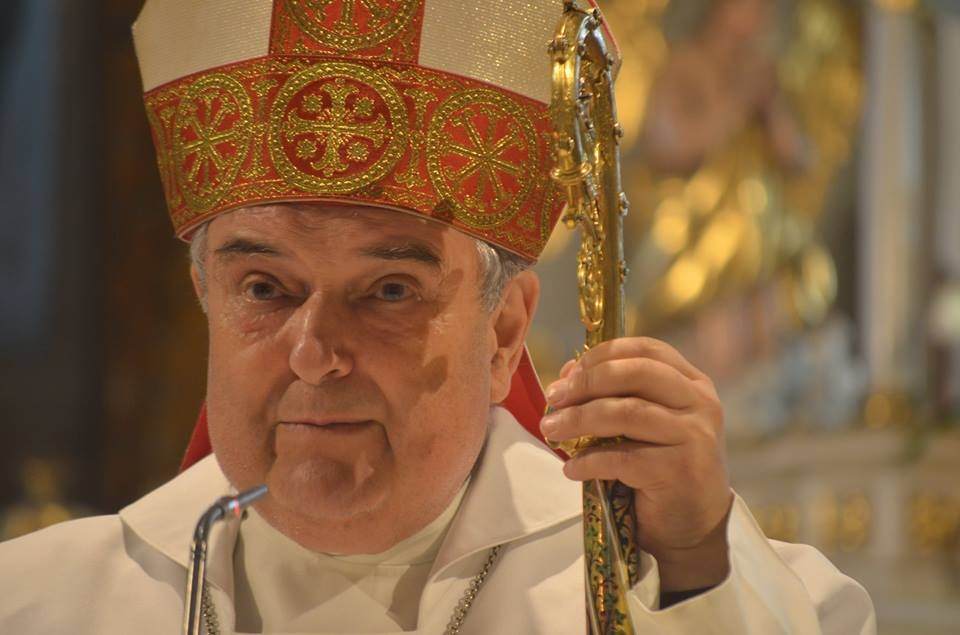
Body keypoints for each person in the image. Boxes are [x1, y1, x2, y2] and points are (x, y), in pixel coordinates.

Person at [0, 0, 875, 633]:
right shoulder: (42, 603)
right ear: (206, 299)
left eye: (389, 291)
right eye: (264, 288)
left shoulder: (658, 590)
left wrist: (693, 570)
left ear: (504, 333)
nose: (314, 353)